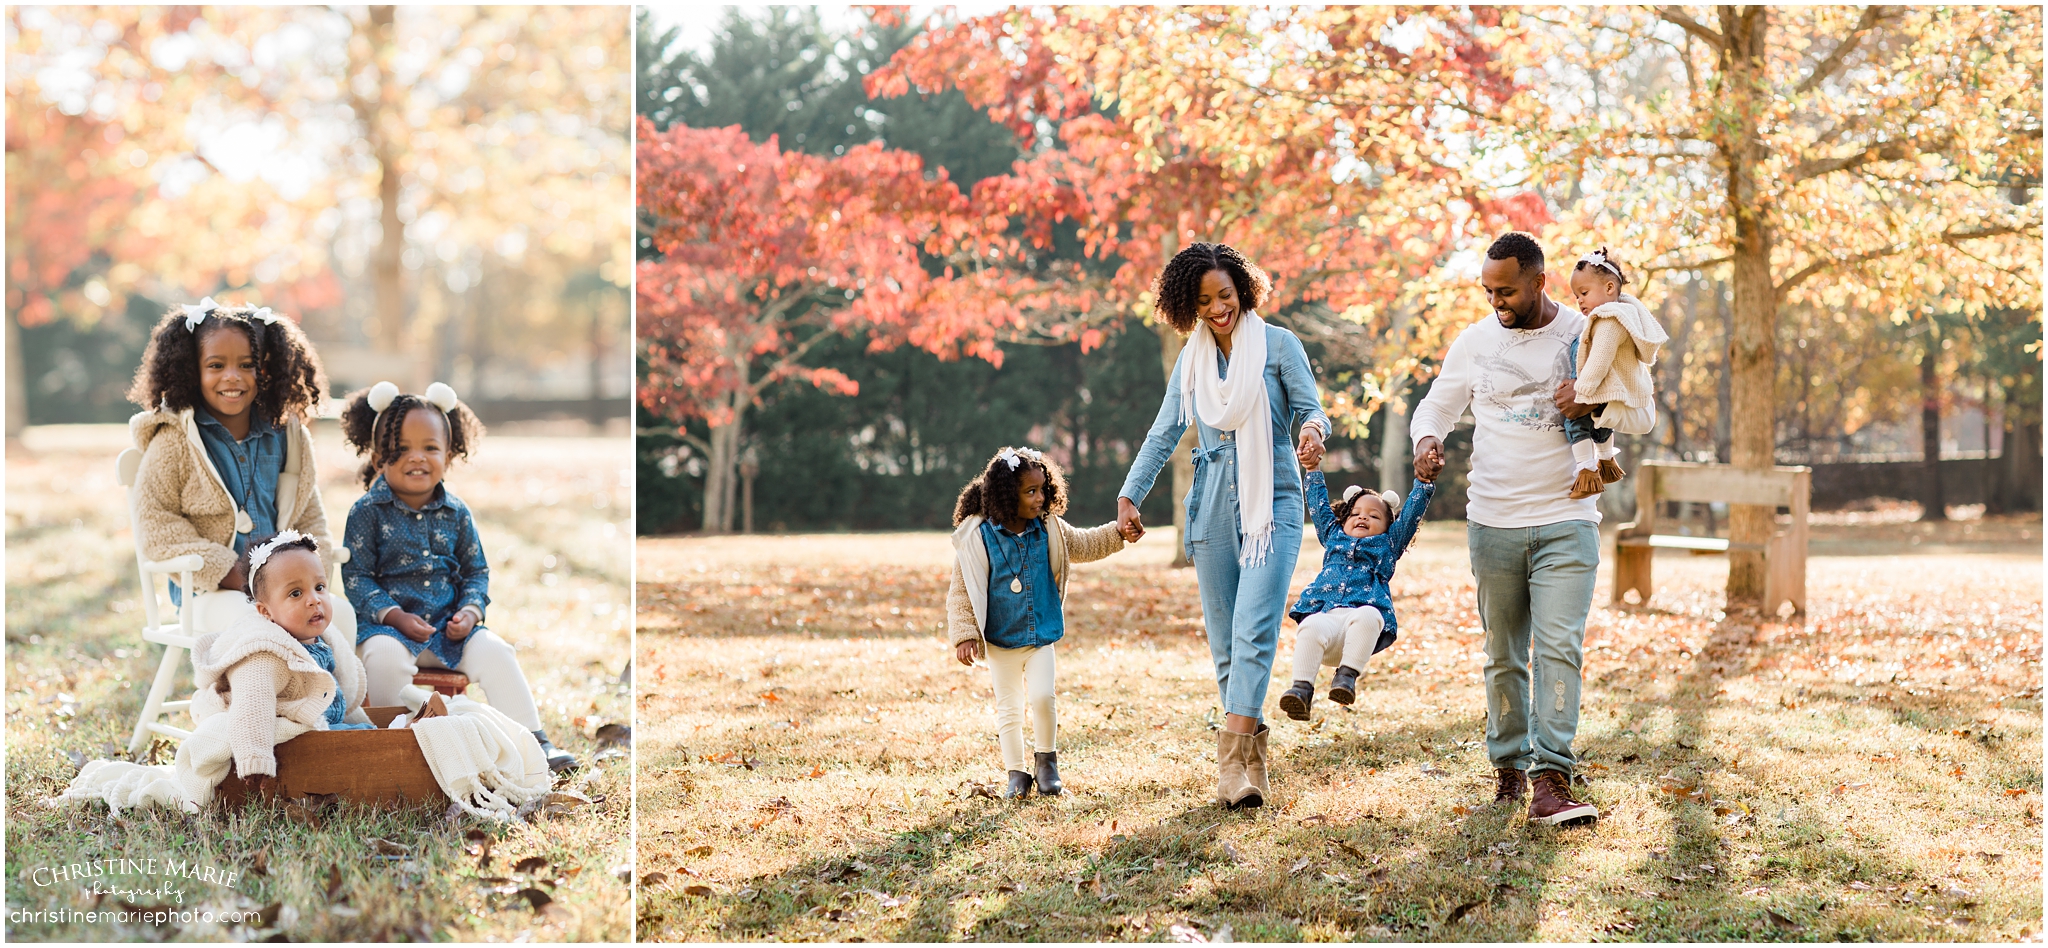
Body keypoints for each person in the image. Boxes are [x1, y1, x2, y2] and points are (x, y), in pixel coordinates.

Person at [1410, 231, 1656, 827]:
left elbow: (1641, 413)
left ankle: (1552, 777)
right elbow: (1439, 405)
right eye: (1489, 291)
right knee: (1503, 654)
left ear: (1539, 281)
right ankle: (1509, 767)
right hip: (1491, 519)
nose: (1497, 302)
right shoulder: (1473, 341)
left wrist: (1591, 406)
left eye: (1508, 291)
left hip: (1567, 518)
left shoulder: (1589, 328)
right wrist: (1426, 441)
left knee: (1558, 649)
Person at [1116, 242, 1330, 810]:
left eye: (1226, 296)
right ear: (1190, 303)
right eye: (1205, 300)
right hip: (1209, 505)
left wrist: (1312, 432)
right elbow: (1165, 433)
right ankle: (1250, 770)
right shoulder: (1193, 359)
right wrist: (1130, 493)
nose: (1217, 309)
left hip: (1274, 505)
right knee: (1225, 643)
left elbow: (1313, 409)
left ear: (1243, 290)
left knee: (1255, 628)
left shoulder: (1280, 346)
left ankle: (1229, 765)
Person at [339, 381, 578, 772]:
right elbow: (357, 578)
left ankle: (536, 744)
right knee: (382, 661)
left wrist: (470, 611)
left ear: (449, 455)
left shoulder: (456, 512)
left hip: (451, 631)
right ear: (380, 456)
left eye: (430, 447)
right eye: (402, 448)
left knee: (498, 653)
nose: (417, 458)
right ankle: (394, 744)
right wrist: (394, 616)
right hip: (391, 632)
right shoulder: (367, 511)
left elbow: (475, 571)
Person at [125, 298, 354, 639]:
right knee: (257, 624)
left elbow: (309, 516)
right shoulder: (174, 440)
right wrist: (230, 571)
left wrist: (308, 578)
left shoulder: (287, 437)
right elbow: (157, 526)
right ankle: (261, 693)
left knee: (345, 618)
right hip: (209, 593)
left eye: (246, 365)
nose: (232, 377)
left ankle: (333, 693)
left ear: (266, 369)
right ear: (192, 370)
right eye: (216, 365)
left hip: (287, 588)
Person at [945, 446, 1129, 799]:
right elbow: (961, 591)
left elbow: (1087, 544)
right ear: (1005, 495)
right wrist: (965, 635)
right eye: (1031, 492)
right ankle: (1016, 774)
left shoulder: (1049, 529)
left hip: (1040, 634)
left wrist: (1119, 533)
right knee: (1009, 708)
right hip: (1000, 640)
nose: (1040, 498)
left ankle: (1047, 764)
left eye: (1044, 489)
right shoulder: (978, 537)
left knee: (1044, 697)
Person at [1276, 455, 1437, 721]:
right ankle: (1301, 691)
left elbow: (1410, 516)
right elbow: (1317, 506)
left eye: (1373, 516)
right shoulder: (1332, 536)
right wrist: (1313, 469)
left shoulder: (1388, 544)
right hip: (1327, 623)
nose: (1363, 517)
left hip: (1359, 634)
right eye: (1356, 513)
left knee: (1370, 614)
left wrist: (1424, 483)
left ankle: (1346, 678)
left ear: (1388, 527)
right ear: (1344, 519)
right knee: (1311, 625)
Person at [1561, 247, 1668, 499]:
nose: (1580, 301)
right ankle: (1607, 462)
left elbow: (1599, 361)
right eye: (1577, 296)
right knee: (1600, 425)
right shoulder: (1616, 317)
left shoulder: (1610, 321)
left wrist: (1580, 393)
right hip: (1609, 388)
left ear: (1610, 288)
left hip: (1597, 388)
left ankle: (1587, 472)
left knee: (1576, 422)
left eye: (1584, 293)